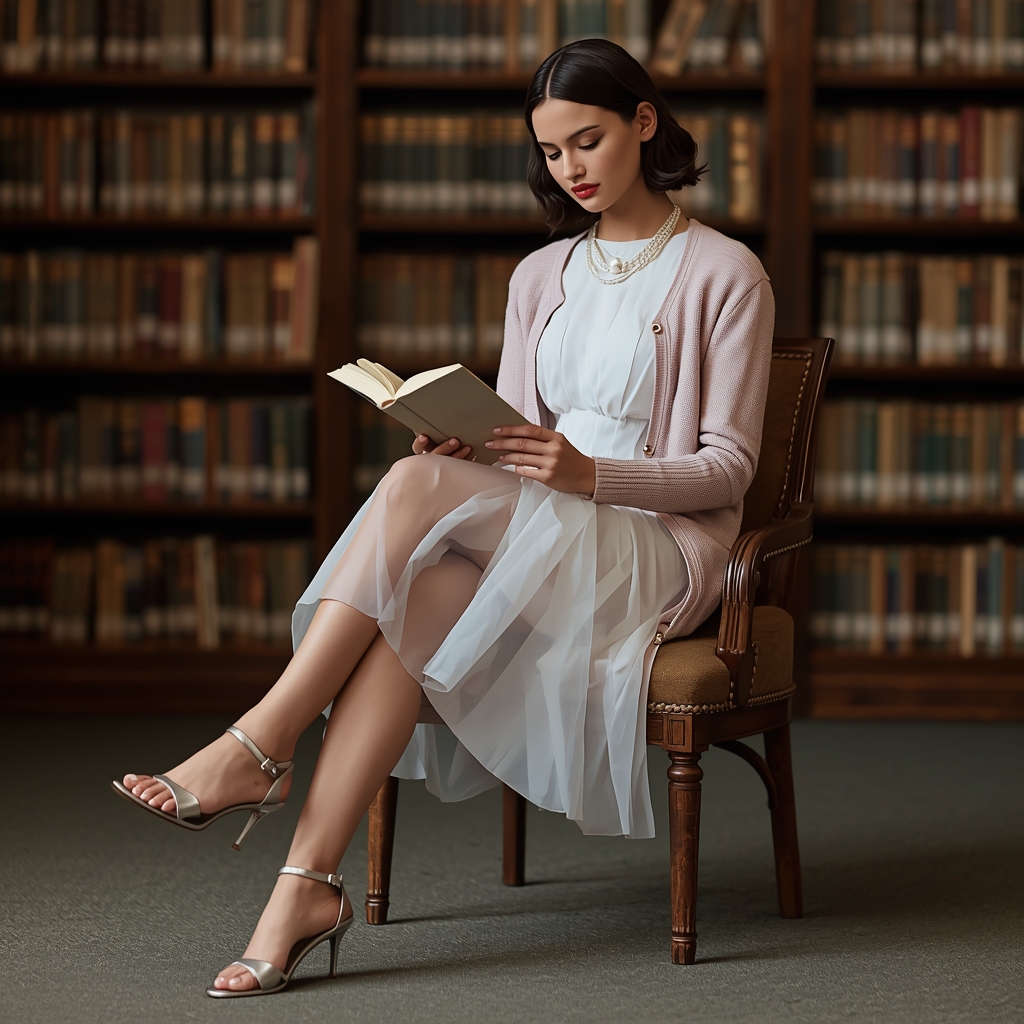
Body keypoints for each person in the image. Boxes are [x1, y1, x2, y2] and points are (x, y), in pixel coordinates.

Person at [112, 39, 774, 998]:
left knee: (412, 499)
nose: (572, 170)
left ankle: (257, 745)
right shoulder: (541, 274)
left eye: (587, 140)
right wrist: (466, 447)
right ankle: (303, 890)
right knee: (404, 610)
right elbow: (513, 432)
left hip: (658, 549)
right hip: (542, 523)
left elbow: (730, 470)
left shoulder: (726, 272)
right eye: (550, 153)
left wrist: (593, 476)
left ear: (644, 122)